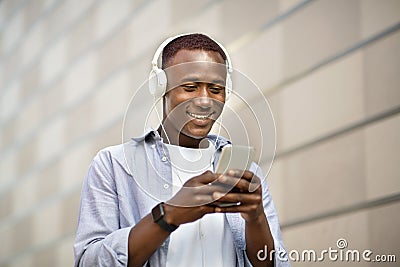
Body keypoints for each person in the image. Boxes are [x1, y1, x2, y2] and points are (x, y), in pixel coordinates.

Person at [74, 33, 289, 267]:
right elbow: (89, 262)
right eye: (190, 87)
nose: (205, 100)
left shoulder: (244, 170)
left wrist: (256, 218)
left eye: (216, 89)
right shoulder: (114, 165)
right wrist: (169, 215)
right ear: (160, 87)